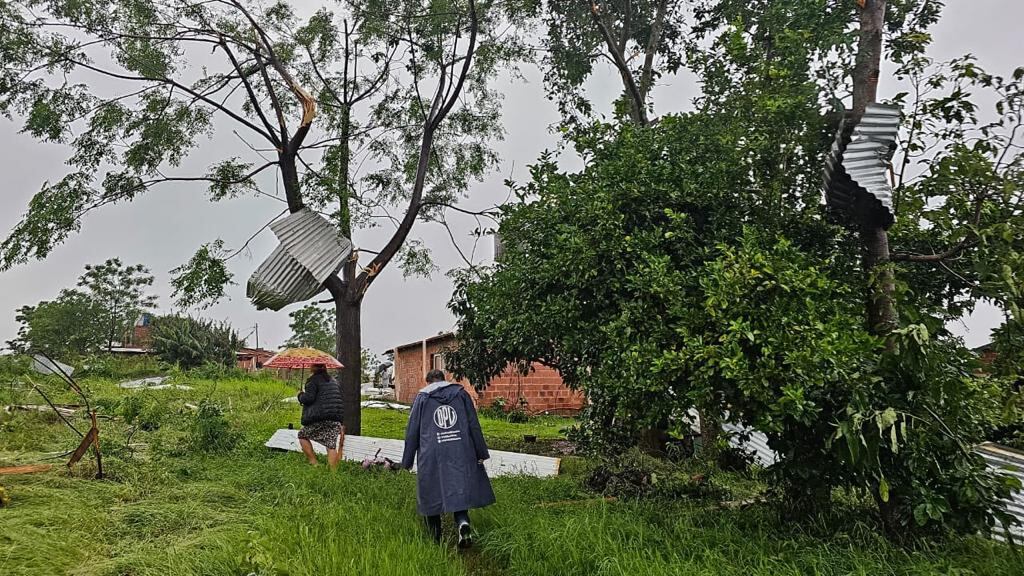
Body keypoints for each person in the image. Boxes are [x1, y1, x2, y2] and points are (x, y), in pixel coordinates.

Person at [401, 369, 495, 548]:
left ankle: (435, 539)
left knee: (430, 490)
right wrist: (481, 452)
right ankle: (462, 522)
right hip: (460, 449)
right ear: (444, 379)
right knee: (458, 486)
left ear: (428, 381)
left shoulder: (422, 398)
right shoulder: (461, 395)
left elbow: (412, 432)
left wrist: (406, 462)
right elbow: (474, 425)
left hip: (431, 452)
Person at [297, 364, 345, 469]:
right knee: (331, 444)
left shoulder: (313, 380)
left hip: (320, 416)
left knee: (302, 435)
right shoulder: (333, 381)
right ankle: (333, 473)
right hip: (336, 417)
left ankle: (314, 463)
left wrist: (300, 395)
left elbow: (309, 398)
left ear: (314, 368)